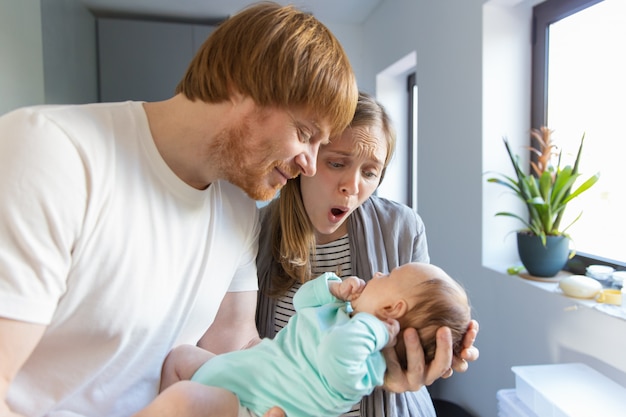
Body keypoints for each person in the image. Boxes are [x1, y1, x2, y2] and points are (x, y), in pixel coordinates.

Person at [0, 2, 357, 416]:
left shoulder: (238, 206)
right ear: (240, 84)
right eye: (305, 133)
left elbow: (236, 350)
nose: (309, 164)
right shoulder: (52, 152)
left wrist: (351, 367)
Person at [255, 92, 480, 416]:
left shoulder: (403, 228)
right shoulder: (256, 232)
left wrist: (442, 349)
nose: (352, 186)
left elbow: (420, 326)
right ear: (305, 156)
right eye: (336, 163)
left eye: (370, 172)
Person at [133, 262, 472, 417]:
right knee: (180, 357)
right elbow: (302, 305)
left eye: (390, 275)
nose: (379, 273)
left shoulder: (362, 366)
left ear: (390, 309)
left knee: (182, 402)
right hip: (236, 376)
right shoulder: (341, 314)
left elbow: (336, 354)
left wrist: (374, 327)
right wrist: (332, 289)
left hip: (251, 407)